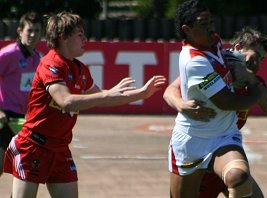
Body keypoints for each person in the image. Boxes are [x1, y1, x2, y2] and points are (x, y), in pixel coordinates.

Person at [3, 11, 166, 198]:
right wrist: (107, 95)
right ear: (64, 38)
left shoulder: (79, 69)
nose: (85, 39)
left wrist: (142, 93)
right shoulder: (50, 64)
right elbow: (66, 102)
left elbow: (105, 96)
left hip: (60, 148)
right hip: (33, 146)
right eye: (80, 35)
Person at [167, 1, 267, 197]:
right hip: (191, 142)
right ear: (187, 30)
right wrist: (256, 92)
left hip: (223, 137)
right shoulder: (194, 61)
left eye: (211, 21)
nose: (211, 28)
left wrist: (246, 71)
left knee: (238, 176)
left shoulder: (215, 43)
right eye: (203, 24)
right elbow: (227, 102)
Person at [0, 11, 43, 177]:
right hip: (5, 120)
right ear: (19, 31)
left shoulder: (39, 59)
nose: (32, 35)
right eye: (29, 30)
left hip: (26, 122)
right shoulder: (8, 54)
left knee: (25, 172)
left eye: (37, 31)